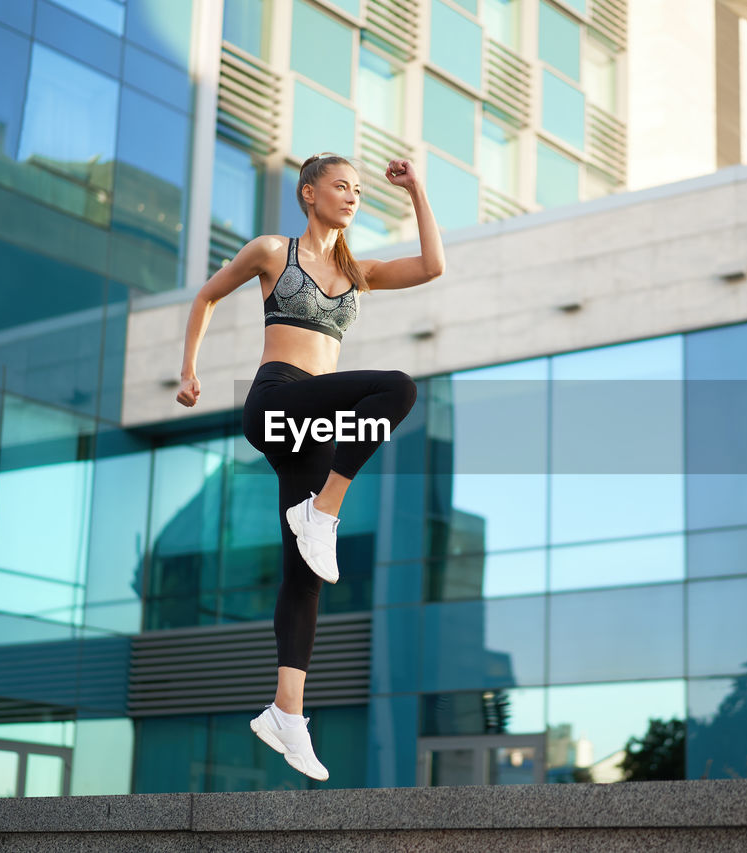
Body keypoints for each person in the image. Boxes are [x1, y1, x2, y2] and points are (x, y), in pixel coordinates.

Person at [175, 153, 444, 781]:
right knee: (398, 387)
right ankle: (323, 510)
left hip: (315, 426)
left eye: (357, 189)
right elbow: (208, 295)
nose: (352, 197)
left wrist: (418, 192)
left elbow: (433, 266)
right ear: (308, 192)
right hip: (276, 399)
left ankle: (285, 713)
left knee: (305, 576)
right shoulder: (273, 251)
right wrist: (189, 371)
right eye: (341, 187)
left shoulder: (359, 272)